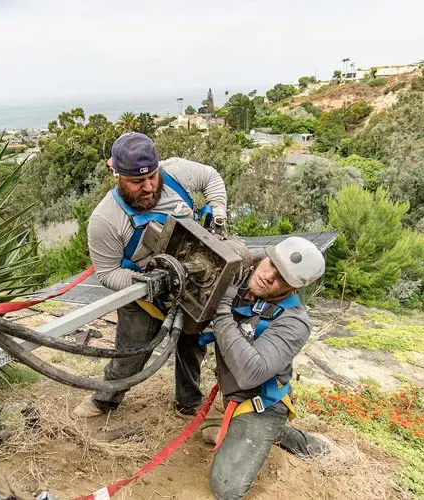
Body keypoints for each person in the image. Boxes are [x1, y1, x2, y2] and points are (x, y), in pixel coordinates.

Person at [73, 132, 228, 418]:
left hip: (191, 284)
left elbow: (212, 177)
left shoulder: (179, 173)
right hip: (143, 295)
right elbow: (107, 274)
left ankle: (189, 403)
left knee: (191, 345)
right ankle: (104, 400)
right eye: (136, 182)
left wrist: (217, 210)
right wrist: (145, 284)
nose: (147, 187)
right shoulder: (105, 220)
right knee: (131, 356)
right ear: (117, 176)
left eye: (152, 177)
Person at [205, 236, 332, 499]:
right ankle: (238, 432)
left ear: (293, 288)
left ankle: (287, 436)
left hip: (262, 404)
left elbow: (250, 373)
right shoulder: (240, 280)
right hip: (234, 394)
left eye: (281, 277)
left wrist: (221, 311)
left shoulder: (295, 322)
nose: (268, 275)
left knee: (225, 489)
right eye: (271, 263)